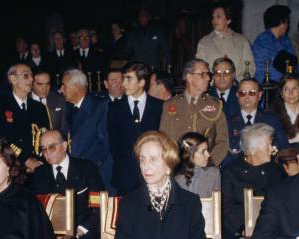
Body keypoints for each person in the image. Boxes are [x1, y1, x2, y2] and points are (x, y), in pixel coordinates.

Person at [30, 130, 103, 239]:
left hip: (83, 231)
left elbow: (99, 205)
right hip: (50, 235)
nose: (47, 153)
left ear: (65, 146)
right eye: (43, 149)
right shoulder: (38, 174)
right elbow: (36, 211)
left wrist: (80, 230)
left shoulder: (86, 168)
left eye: (52, 147)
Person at [160, 59, 229, 166]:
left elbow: (223, 142)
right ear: (190, 77)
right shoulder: (170, 105)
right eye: (203, 74)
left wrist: (209, 164)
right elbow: (165, 140)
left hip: (205, 169)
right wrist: (176, 166)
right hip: (178, 169)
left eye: (208, 74)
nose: (208, 78)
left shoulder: (215, 106)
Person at [221, 124, 284, 239]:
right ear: (253, 151)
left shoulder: (277, 171)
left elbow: (283, 204)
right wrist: (243, 228)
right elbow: (227, 207)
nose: (273, 149)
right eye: (269, 145)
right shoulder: (231, 172)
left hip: (271, 231)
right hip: (240, 233)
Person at [108, 62, 162, 195]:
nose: (123, 84)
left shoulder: (159, 107)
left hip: (154, 174)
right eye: (123, 78)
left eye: (128, 79)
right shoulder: (114, 108)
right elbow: (113, 144)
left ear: (142, 82)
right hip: (125, 177)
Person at [0, 64, 49, 173]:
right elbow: (0, 138)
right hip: (12, 165)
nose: (31, 79)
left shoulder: (39, 107)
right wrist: (25, 160)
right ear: (13, 79)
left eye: (32, 76)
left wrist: (39, 161)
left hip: (38, 165)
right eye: (26, 76)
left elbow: (44, 136)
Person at [60, 69, 111, 189]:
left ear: (77, 87)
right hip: (77, 172)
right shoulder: (68, 108)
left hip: (96, 172)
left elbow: (104, 144)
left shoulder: (101, 106)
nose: (61, 90)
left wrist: (84, 167)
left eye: (64, 86)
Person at [225, 78, 288, 165]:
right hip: (236, 172)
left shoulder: (271, 120)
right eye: (242, 93)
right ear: (237, 95)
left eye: (252, 92)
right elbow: (223, 154)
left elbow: (283, 148)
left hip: (266, 169)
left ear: (259, 95)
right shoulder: (227, 121)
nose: (247, 97)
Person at [196, 4, 255, 78]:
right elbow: (200, 69)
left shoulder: (242, 41)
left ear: (228, 20)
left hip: (237, 86)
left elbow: (250, 67)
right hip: (213, 87)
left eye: (218, 17)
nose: (214, 20)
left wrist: (239, 83)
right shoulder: (204, 42)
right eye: (213, 17)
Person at [252, 5, 297, 84]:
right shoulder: (262, 41)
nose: (288, 25)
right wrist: (285, 82)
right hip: (268, 87)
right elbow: (262, 69)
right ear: (282, 23)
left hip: (287, 84)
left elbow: (293, 64)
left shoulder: (286, 40)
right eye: (287, 22)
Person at [268, 73, 299, 144]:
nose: (291, 93)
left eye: (294, 88)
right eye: (286, 89)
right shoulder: (272, 113)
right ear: (281, 93)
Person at [175, 132, 220, 198]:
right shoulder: (176, 180)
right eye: (203, 151)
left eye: (207, 150)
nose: (208, 155)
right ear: (190, 154)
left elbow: (216, 205)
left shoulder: (213, 174)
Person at [209, 57, 240, 122]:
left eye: (226, 72)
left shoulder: (242, 95)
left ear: (233, 75)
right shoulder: (206, 96)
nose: (221, 77)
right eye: (217, 73)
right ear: (213, 76)